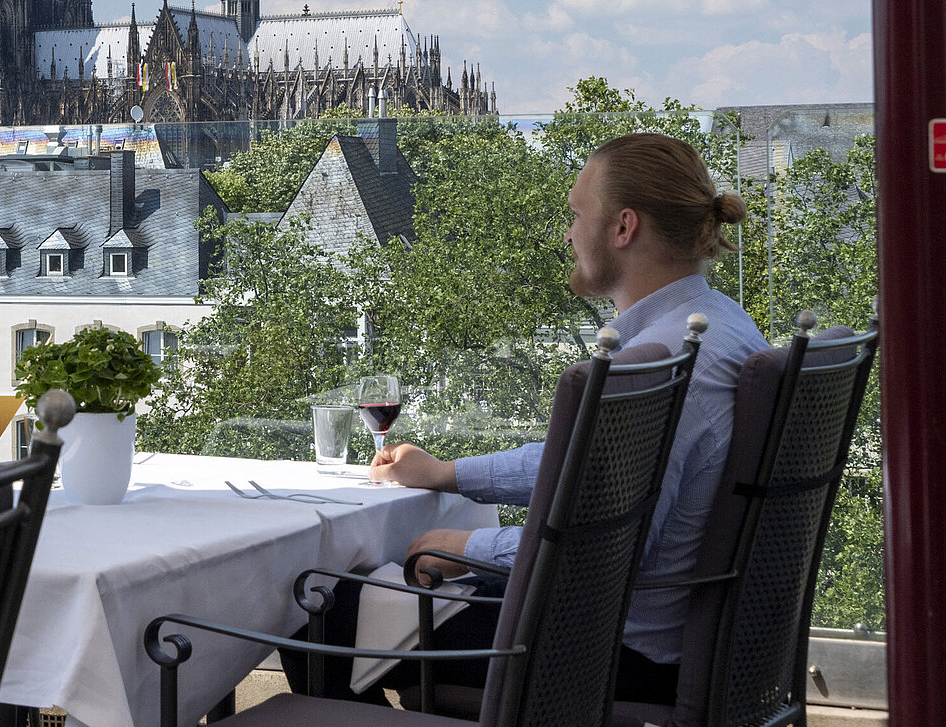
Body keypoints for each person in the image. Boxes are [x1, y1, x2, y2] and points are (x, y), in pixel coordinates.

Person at [289, 132, 769, 706]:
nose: (568, 233)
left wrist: (467, 546)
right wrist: (450, 474)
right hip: (667, 636)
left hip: (606, 650)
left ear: (623, 227)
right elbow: (591, 468)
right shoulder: (719, 325)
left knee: (313, 609)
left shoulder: (662, 366)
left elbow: (605, 545)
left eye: (576, 214)